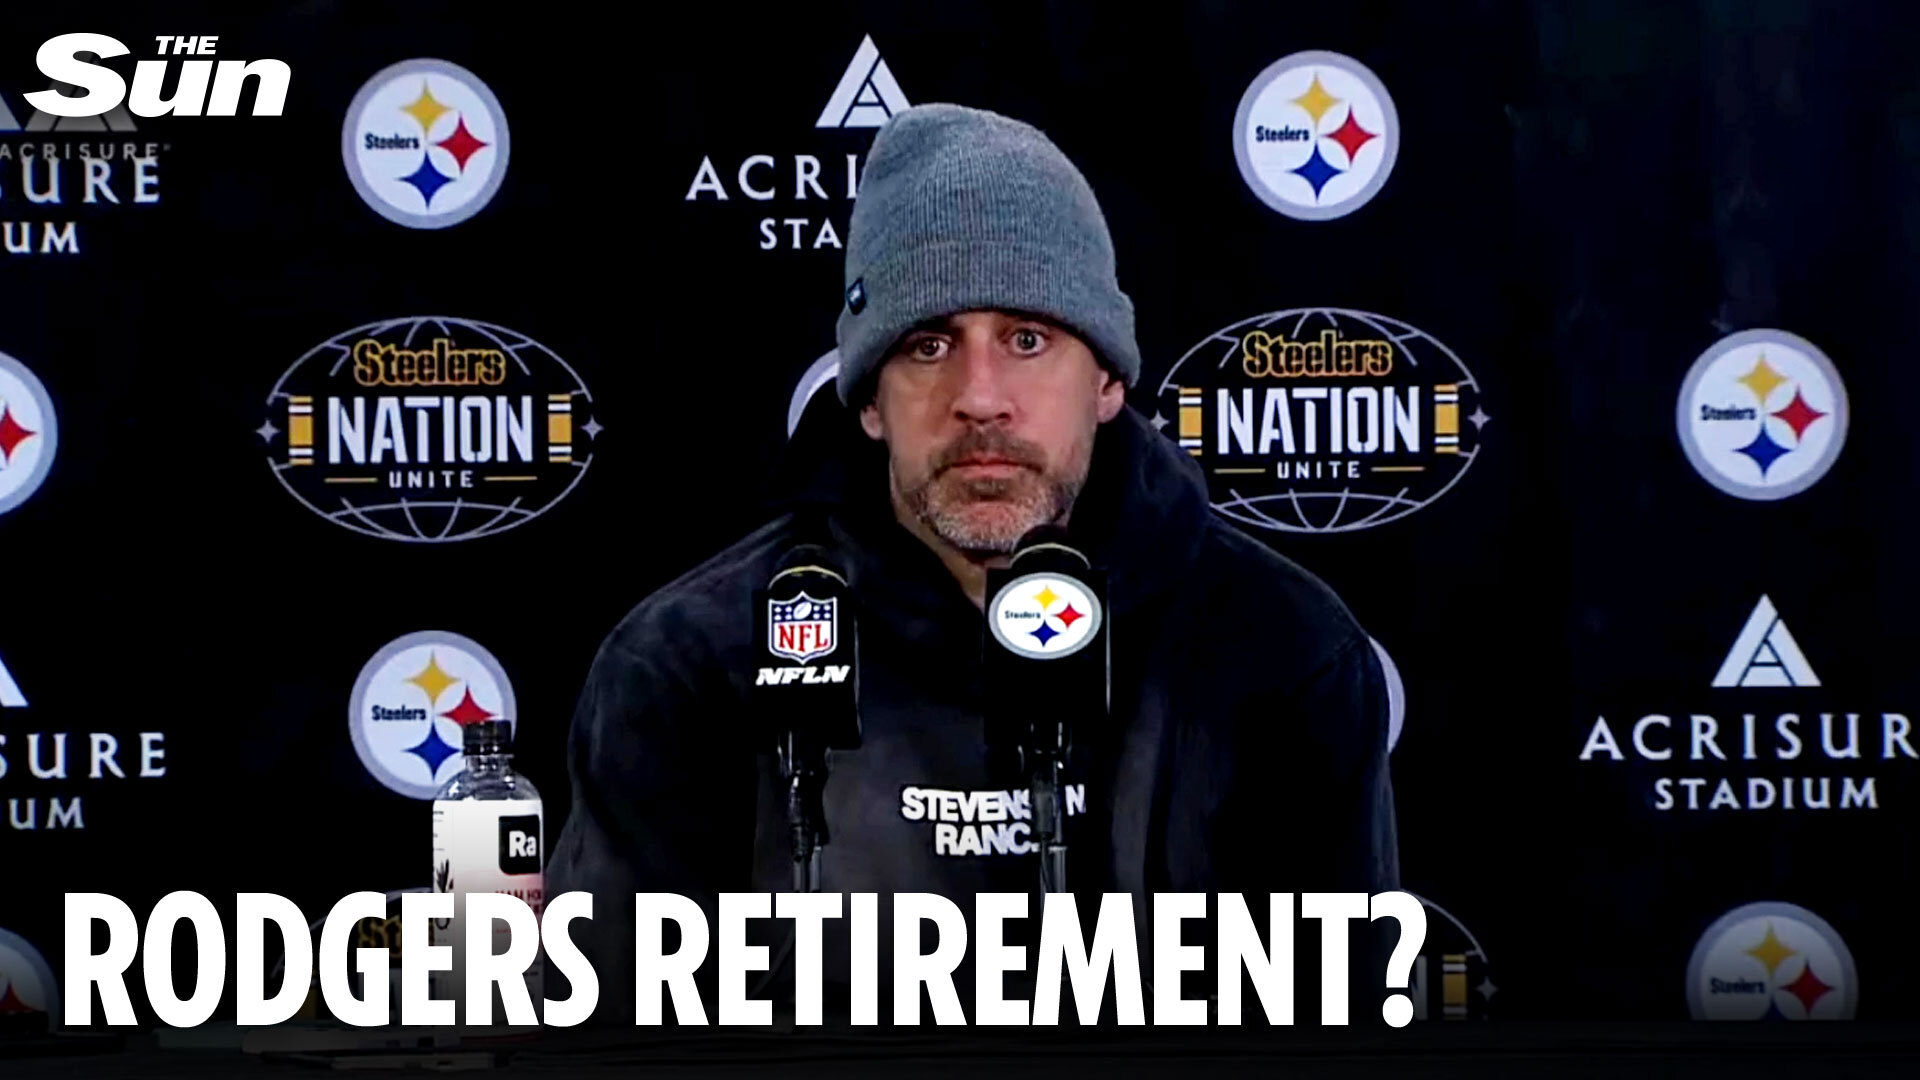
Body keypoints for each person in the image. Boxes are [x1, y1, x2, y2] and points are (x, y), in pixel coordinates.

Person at [546, 103, 1398, 1024]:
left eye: (1028, 339)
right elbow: (615, 1041)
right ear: (868, 401)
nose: (980, 398)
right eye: (928, 345)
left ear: (1108, 380)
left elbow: (1337, 1039)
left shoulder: (1281, 650)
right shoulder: (686, 666)